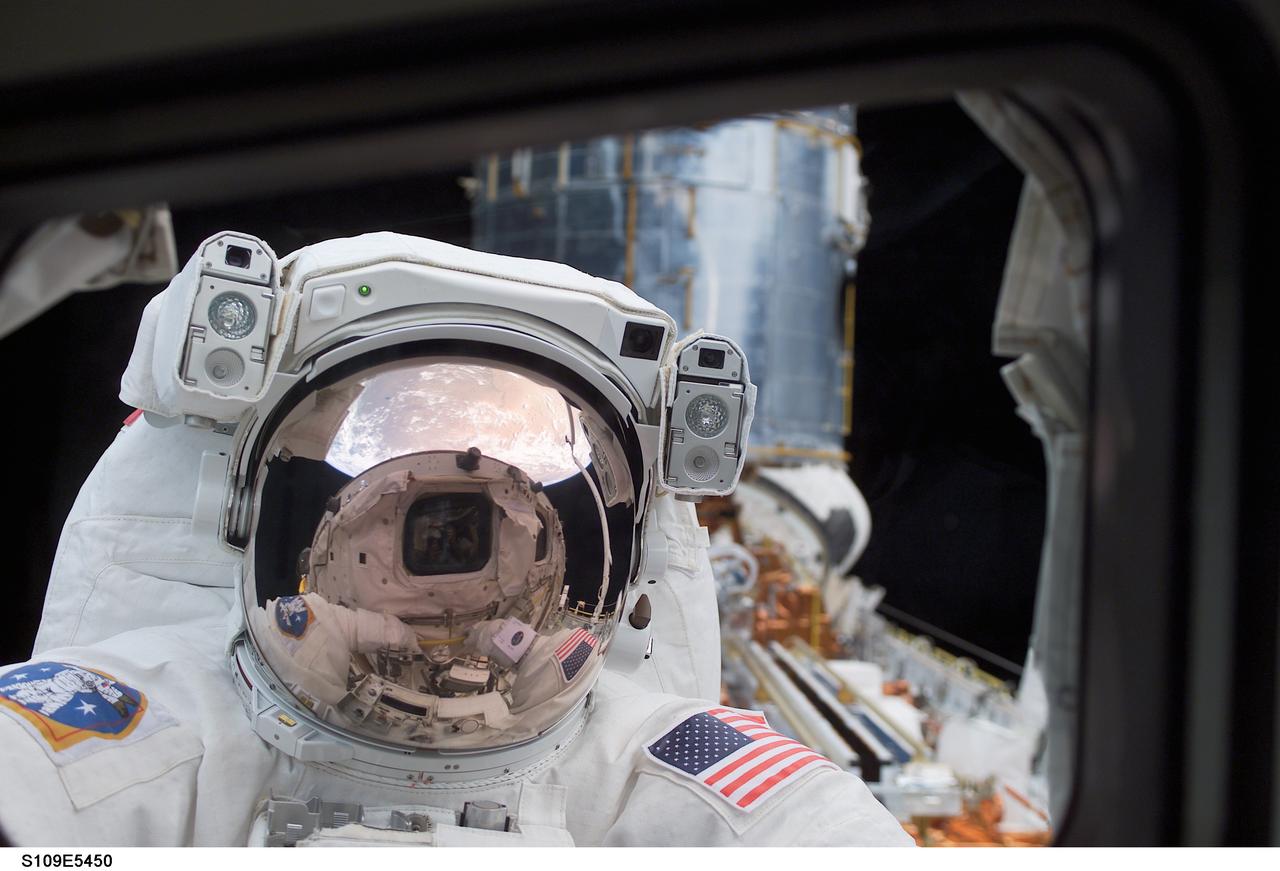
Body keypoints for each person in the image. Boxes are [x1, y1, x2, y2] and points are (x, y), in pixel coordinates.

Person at [0, 230, 911, 847]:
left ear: (625, 562)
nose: (446, 565)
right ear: (251, 524)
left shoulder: (655, 768)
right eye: (405, 510)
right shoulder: (149, 729)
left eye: (476, 531)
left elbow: (822, 828)